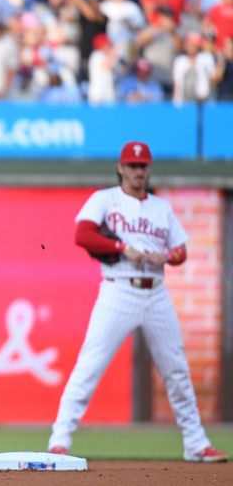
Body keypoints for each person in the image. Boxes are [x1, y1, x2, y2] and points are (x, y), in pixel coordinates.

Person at [47, 142, 228, 464]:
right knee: (90, 365)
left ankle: (196, 443)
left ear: (148, 169)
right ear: (120, 168)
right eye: (132, 165)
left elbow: (181, 251)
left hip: (156, 291)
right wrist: (120, 247)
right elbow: (83, 235)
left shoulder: (161, 208)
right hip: (118, 288)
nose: (138, 171)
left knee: (177, 370)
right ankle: (59, 440)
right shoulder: (105, 200)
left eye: (142, 166)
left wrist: (168, 255)